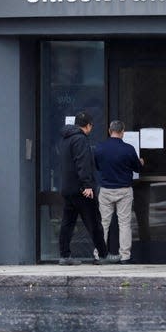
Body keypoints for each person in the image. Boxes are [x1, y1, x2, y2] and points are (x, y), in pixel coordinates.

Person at [57, 111, 119, 265]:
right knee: (94, 222)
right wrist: (87, 185)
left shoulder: (66, 139)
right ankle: (104, 255)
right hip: (81, 189)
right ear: (88, 125)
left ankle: (65, 256)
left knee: (67, 223)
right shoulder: (80, 139)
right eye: (92, 125)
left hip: (68, 188)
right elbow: (82, 163)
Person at [94, 120, 143, 264]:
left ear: (110, 131)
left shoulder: (100, 148)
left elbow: (97, 166)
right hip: (124, 190)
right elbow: (137, 169)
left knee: (103, 223)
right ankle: (125, 256)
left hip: (106, 190)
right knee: (124, 223)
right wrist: (140, 162)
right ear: (123, 132)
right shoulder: (128, 149)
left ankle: (99, 255)